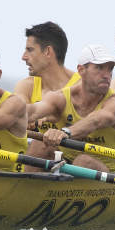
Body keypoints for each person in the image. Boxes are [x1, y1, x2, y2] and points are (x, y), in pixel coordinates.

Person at [33, 45, 115, 172]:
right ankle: (23, 183)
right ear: (81, 70)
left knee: (83, 161)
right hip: (67, 161)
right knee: (39, 144)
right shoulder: (60, 97)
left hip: (105, 172)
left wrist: (65, 132)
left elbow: (95, 120)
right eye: (99, 68)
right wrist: (25, 119)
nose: (107, 75)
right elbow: (32, 111)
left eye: (110, 69)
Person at [16, 21, 78, 157]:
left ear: (48, 52)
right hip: (43, 157)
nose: (23, 57)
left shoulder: (80, 87)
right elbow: (19, 111)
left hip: (77, 160)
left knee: (39, 146)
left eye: (30, 50)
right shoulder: (26, 86)